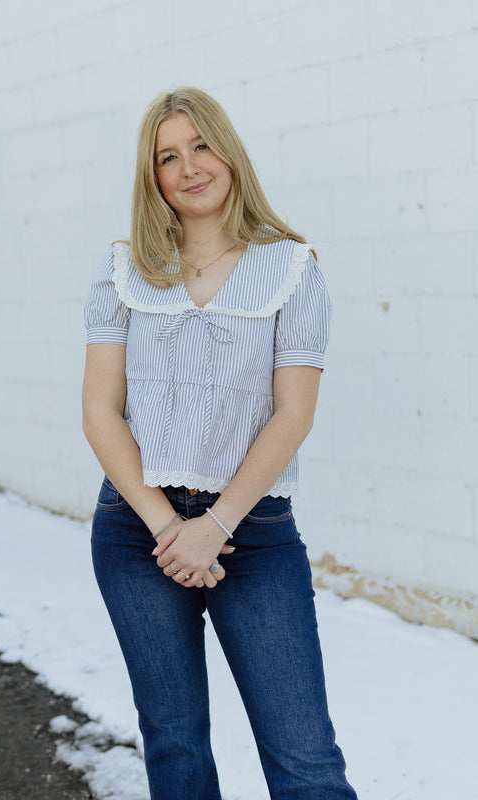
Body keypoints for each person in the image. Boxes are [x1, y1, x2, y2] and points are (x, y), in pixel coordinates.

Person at [82, 87, 357, 800]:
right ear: (152, 176)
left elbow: (292, 413)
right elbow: (100, 411)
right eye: (167, 156)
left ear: (228, 153)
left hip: (253, 532)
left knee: (306, 765)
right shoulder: (121, 273)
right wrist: (171, 529)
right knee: (174, 747)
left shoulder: (293, 270)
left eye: (200, 145)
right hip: (137, 530)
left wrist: (216, 526)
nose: (189, 167)